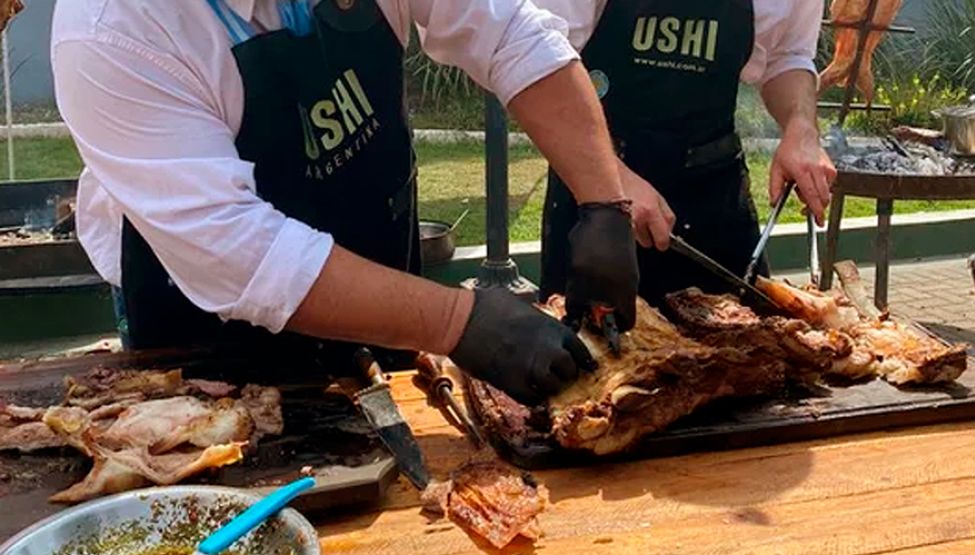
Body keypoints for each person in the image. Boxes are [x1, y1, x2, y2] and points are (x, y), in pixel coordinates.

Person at [51, 0, 640, 406]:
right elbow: (239, 254)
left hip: (379, 275)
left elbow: (511, 34)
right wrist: (457, 320)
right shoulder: (112, 27)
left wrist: (604, 203)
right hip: (209, 336)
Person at [536, 0, 838, 306]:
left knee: (750, 346)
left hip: (714, 194)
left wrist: (801, 127)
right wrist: (609, 181)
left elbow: (786, 56)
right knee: (589, 346)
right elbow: (540, 57)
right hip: (595, 198)